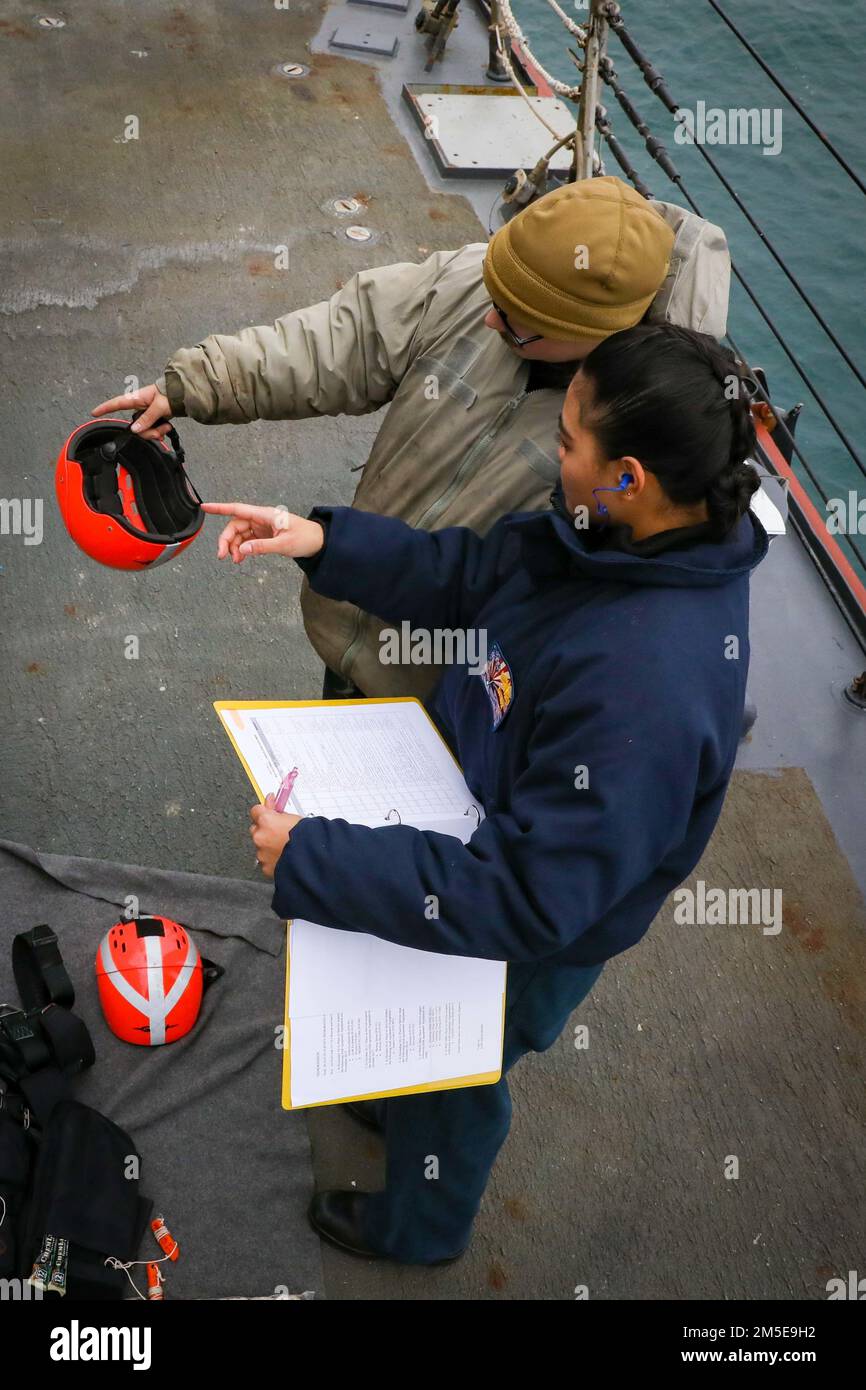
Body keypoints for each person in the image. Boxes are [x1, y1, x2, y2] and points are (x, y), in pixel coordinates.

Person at [199, 323, 768, 1265]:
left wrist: (316, 855)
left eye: (569, 436)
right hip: (475, 813)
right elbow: (476, 576)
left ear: (628, 474)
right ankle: (389, 1091)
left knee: (454, 1074)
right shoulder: (612, 531)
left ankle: (419, 1230)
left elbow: (528, 897)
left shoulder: (647, 685)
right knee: (415, 1028)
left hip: (539, 925)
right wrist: (325, 541)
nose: (555, 446)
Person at [91, 176, 731, 700]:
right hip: (355, 597)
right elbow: (346, 340)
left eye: (515, 322)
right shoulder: (489, 289)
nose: (489, 318)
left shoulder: (650, 444)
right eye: (492, 292)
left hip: (454, 694)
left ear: (600, 340)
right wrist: (198, 382)